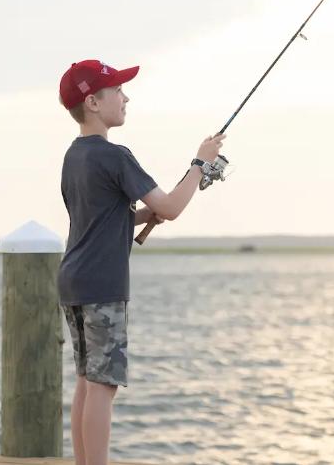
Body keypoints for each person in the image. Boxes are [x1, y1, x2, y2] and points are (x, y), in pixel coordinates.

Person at [57, 59, 225, 465]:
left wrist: (150, 212)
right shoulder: (116, 156)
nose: (126, 96)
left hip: (73, 281)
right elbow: (171, 206)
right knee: (103, 385)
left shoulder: (74, 156)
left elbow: (109, 217)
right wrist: (199, 163)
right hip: (103, 284)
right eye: (117, 90)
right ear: (93, 102)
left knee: (86, 379)